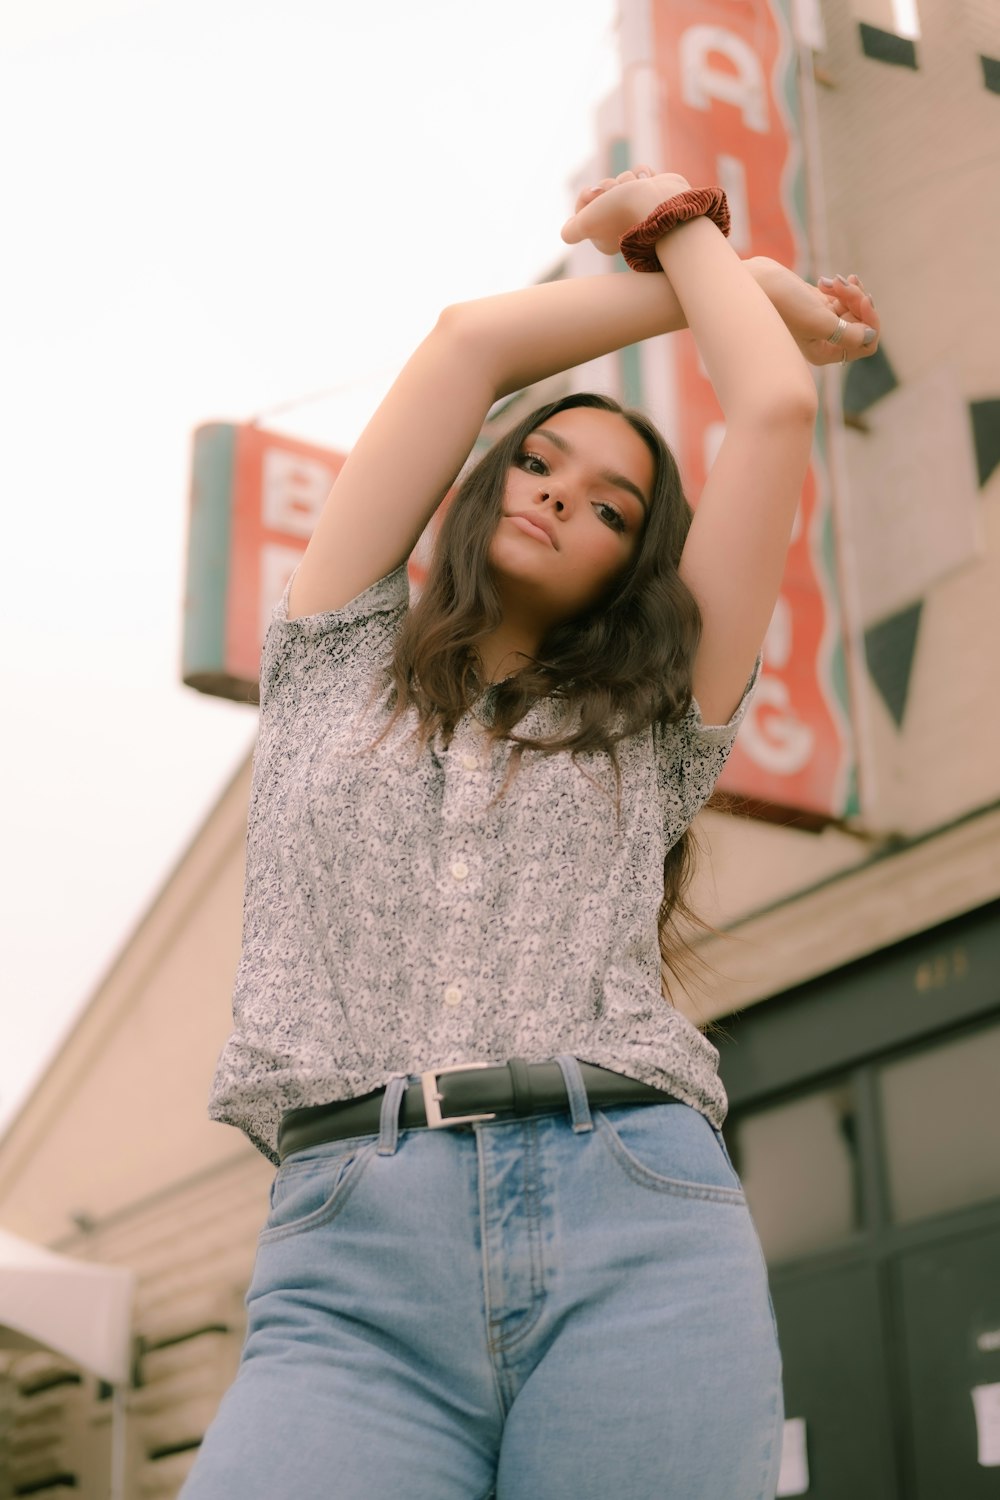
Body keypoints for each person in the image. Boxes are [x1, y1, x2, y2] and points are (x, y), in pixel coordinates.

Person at [180, 168, 879, 1500]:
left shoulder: (661, 725)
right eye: (541, 459)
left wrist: (679, 229)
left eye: (612, 507)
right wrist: (716, 291)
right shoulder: (333, 653)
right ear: (487, 473)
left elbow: (778, 401)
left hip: (635, 1220)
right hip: (351, 1259)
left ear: (632, 567)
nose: (561, 495)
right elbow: (470, 342)